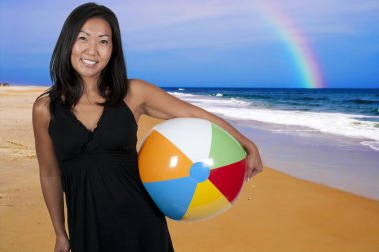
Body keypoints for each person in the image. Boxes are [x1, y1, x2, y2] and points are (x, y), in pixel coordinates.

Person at [32, 2, 263, 252]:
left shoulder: (133, 93)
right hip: (87, 230)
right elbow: (49, 174)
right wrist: (60, 233)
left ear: (113, 49)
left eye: (103, 41)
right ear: (68, 41)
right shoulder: (45, 109)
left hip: (143, 226)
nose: (92, 50)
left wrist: (247, 144)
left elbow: (194, 114)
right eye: (83, 38)